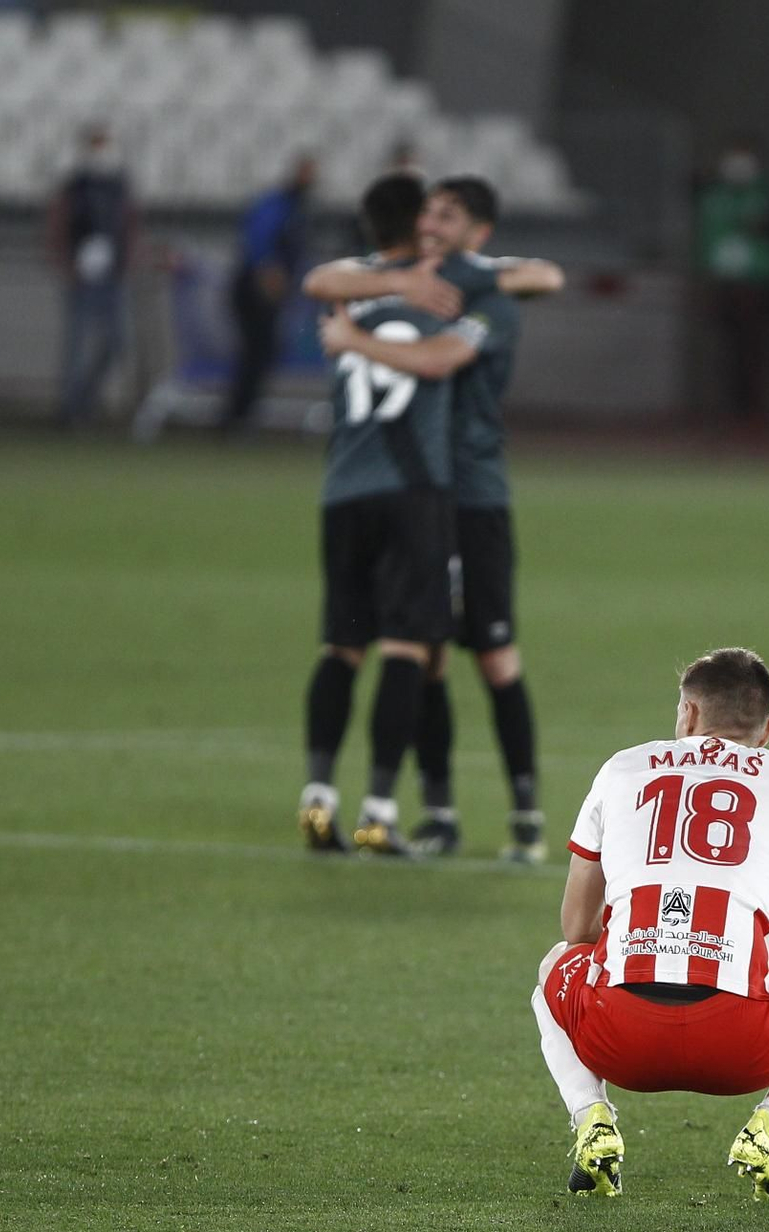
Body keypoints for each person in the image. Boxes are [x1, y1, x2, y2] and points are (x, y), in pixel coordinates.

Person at [531, 648, 769, 1203]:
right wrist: (749, 946)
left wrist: (645, 938)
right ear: (766, 729)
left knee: (556, 960)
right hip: (744, 1045)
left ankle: (591, 1119)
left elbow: (577, 927)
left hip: (619, 1039)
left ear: (688, 714)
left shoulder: (621, 768)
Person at [307, 178, 565, 864]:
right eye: (427, 211)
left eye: (446, 214)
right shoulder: (408, 281)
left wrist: (353, 339)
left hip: (473, 495)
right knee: (424, 658)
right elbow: (325, 278)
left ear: (478, 233)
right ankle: (440, 812)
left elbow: (462, 344)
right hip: (419, 493)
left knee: (494, 656)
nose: (430, 222)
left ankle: (526, 818)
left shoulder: (488, 294)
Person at [297, 173, 487, 856]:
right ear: (422, 224)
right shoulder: (444, 291)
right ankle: (379, 806)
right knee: (407, 647)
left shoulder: (350, 293)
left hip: (344, 490)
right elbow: (442, 360)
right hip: (414, 493)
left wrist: (354, 331)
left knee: (342, 647)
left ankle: (318, 793)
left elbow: (319, 280)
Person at [694, 136, 769, 428]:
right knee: (725, 354)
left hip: (759, 285)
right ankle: (729, 415)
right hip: (723, 283)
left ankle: (756, 415)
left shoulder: (768, 194)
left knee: (757, 353)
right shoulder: (713, 195)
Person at [47, 123, 136, 426]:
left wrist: (129, 259)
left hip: (113, 275)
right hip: (80, 275)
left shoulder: (119, 185)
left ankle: (85, 397)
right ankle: (71, 409)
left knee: (118, 342)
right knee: (76, 344)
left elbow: (130, 225)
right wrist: (65, 262)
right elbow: (58, 225)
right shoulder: (75, 186)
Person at [222, 154, 316, 431]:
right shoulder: (278, 204)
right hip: (256, 287)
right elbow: (258, 239)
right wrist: (268, 272)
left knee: (260, 351)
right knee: (256, 350)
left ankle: (241, 413)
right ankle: (237, 415)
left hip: (266, 288)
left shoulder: (293, 207)